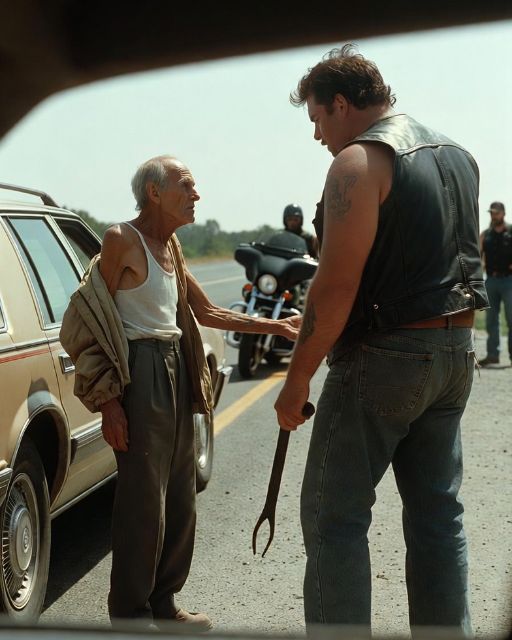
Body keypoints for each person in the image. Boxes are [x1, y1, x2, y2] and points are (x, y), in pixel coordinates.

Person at [274, 44, 488, 635]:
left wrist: (296, 380)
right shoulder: (460, 156)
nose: (317, 134)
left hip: (385, 356)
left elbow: (335, 286)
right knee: (438, 518)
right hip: (456, 351)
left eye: (317, 117)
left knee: (333, 519)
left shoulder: (358, 162)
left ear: (341, 104)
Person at [60, 155, 300, 630]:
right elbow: (90, 323)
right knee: (142, 502)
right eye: (186, 185)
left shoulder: (171, 246)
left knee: (180, 496)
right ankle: (130, 613)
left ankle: (164, 603)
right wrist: (109, 403)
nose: (196, 195)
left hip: (176, 367)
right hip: (140, 372)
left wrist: (278, 326)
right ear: (154, 192)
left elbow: (207, 313)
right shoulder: (121, 240)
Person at [479, 201, 512, 366]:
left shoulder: (511, 231)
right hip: (491, 280)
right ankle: (492, 355)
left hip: (509, 281)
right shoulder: (485, 235)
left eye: (496, 213)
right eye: (492, 213)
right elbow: (477, 256)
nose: (494, 216)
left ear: (503, 213)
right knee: (491, 320)